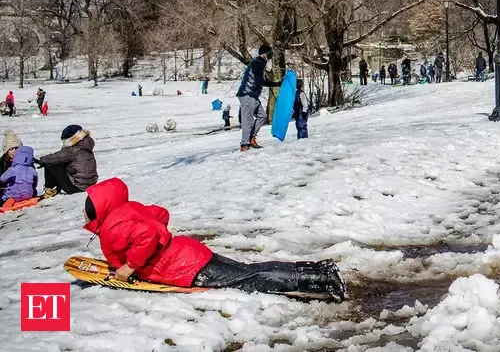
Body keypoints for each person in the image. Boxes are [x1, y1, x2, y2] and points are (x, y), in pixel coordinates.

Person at [82, 177, 345, 301]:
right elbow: (159, 216)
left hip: (185, 268)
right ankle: (319, 270)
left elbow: (149, 235)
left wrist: (130, 266)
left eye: (87, 209)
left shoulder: (112, 227)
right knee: (249, 271)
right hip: (190, 252)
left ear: (99, 210)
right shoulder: (128, 210)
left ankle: (322, 280)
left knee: (251, 278)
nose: (84, 214)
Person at [236, 44, 281, 152]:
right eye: (269, 53)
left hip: (253, 96)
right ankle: (244, 144)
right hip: (247, 94)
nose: (271, 56)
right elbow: (259, 80)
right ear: (265, 53)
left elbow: (260, 80)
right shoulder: (257, 62)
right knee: (248, 121)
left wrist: (276, 84)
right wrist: (275, 83)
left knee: (262, 116)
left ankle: (251, 138)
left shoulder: (261, 63)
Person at [37, 125, 98, 198]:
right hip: (89, 184)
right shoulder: (84, 147)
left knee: (51, 164)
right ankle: (55, 188)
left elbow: (53, 158)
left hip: (77, 187)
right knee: (59, 163)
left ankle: (50, 190)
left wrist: (42, 160)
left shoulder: (73, 150)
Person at [1, 130, 23, 200]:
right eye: (11, 149)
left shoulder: (25, 161)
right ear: (7, 151)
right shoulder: (2, 163)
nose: (14, 151)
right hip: (4, 193)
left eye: (16, 148)